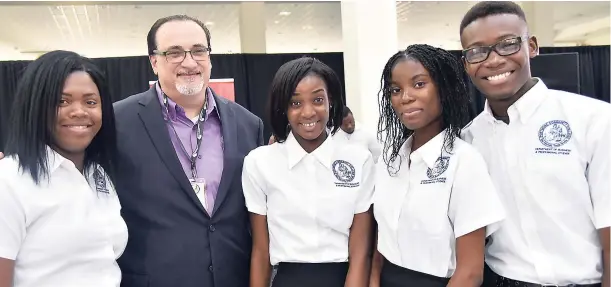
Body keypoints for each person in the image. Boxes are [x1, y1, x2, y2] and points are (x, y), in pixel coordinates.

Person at [0, 15, 264, 287]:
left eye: (198, 50)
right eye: (174, 52)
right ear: (153, 61)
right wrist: (0, 170)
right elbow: (56, 157)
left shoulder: (248, 125)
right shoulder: (116, 121)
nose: (189, 61)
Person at [459, 2, 610, 287]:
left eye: (507, 44)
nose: (493, 60)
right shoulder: (469, 141)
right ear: (466, 63)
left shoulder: (595, 121)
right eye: (477, 51)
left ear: (532, 46)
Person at [0, 50, 127, 286]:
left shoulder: (98, 176)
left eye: (90, 102)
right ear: (34, 107)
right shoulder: (1, 183)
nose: (79, 111)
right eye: (62, 101)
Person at [369, 44, 506, 287]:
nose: (406, 97)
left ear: (444, 89)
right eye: (395, 89)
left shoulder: (464, 161)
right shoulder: (390, 161)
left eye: (419, 84)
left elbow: (470, 273)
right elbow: (381, 243)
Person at [242, 57, 374, 287]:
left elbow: (361, 253)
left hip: (344, 279)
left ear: (330, 101)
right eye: (295, 103)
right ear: (283, 106)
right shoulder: (260, 163)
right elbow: (261, 252)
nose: (308, 112)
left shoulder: (359, 159)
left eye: (318, 100)